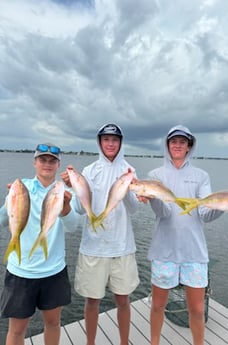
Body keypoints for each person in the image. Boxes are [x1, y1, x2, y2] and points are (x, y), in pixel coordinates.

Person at [141, 125, 224, 345]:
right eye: (173, 141)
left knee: (197, 309)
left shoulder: (201, 176)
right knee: (158, 305)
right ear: (167, 145)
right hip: (163, 250)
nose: (177, 145)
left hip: (194, 252)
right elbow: (164, 213)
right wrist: (154, 198)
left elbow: (205, 214)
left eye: (182, 142)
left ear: (189, 147)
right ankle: (154, 342)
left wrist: (223, 205)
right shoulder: (155, 175)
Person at [61, 123, 140, 345]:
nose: (110, 143)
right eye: (106, 139)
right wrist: (69, 188)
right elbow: (78, 208)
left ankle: (124, 342)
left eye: (115, 140)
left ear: (120, 143)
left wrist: (126, 188)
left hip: (122, 247)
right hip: (93, 247)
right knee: (92, 301)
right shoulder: (89, 170)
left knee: (124, 300)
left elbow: (133, 209)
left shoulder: (130, 170)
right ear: (99, 142)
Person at [0, 143, 80, 345]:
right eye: (42, 160)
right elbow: (2, 221)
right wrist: (10, 201)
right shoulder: (22, 187)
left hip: (54, 271)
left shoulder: (66, 191)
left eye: (52, 161)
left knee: (53, 323)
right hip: (21, 272)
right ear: (35, 162)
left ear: (58, 164)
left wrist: (67, 207)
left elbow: (73, 227)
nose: (47, 164)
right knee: (17, 330)